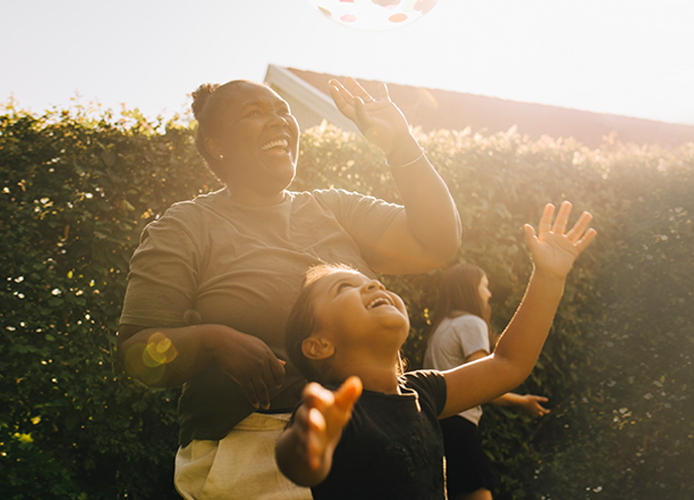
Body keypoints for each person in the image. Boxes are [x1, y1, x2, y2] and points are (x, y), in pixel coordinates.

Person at [116, 77, 461, 499]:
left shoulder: (333, 208)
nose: (279, 121)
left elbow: (437, 243)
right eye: (255, 113)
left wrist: (400, 144)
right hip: (253, 457)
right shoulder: (183, 228)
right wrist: (211, 341)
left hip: (375, 440)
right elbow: (137, 353)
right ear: (215, 145)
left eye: (282, 110)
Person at [275, 202, 596, 499]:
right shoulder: (335, 409)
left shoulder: (422, 391)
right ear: (319, 346)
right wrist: (310, 443)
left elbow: (508, 363)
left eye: (371, 281)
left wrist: (549, 277)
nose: (373, 285)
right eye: (344, 287)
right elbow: (299, 461)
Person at [423, 263, 553, 500]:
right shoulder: (472, 323)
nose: (489, 294)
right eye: (485, 286)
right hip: (459, 426)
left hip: (435, 426)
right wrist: (521, 402)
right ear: (471, 289)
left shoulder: (441, 327)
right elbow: (485, 383)